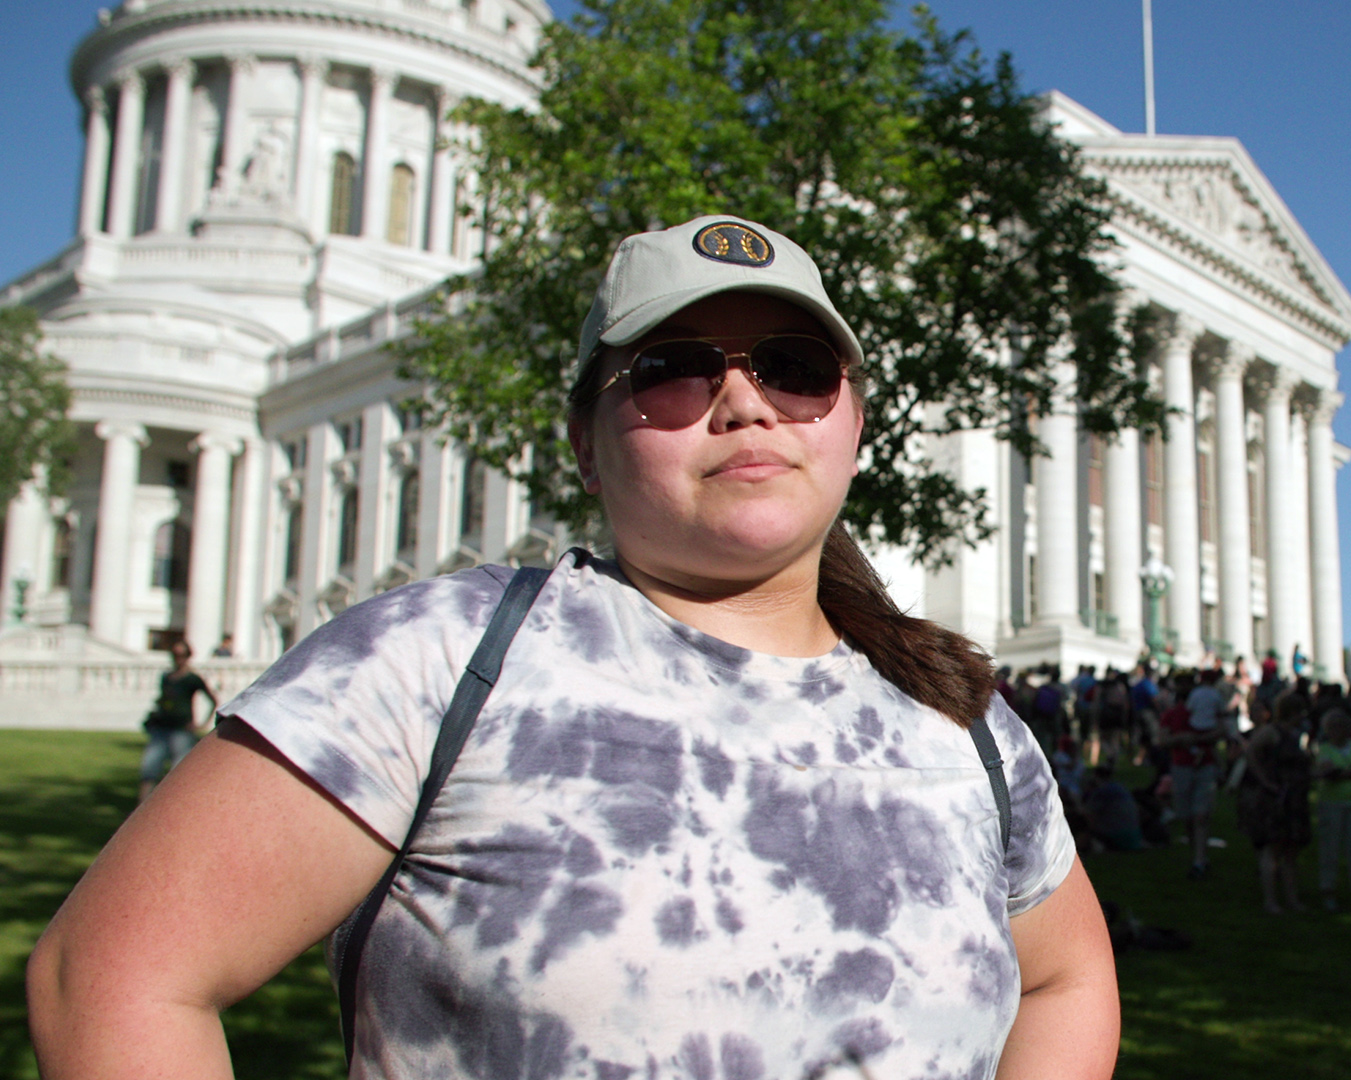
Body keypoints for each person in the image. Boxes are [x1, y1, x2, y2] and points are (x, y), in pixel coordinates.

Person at [28, 216, 1120, 1077]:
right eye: (675, 371)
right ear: (586, 445)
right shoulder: (439, 660)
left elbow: (1067, 980)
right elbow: (112, 977)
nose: (746, 404)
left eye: (794, 368)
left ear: (852, 424)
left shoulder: (961, 724)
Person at [1237, 697, 1312, 914]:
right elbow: (1251, 753)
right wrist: (1265, 781)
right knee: (1273, 848)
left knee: (1291, 851)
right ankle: (1270, 900)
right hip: (1275, 798)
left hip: (1294, 797)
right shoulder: (1272, 732)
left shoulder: (1296, 735)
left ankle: (1292, 899)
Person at [136, 641, 219, 803]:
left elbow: (213, 700)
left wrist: (203, 724)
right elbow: (163, 699)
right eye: (174, 655)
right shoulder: (167, 677)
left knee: (178, 774)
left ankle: (173, 805)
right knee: (149, 769)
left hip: (182, 729)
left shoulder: (192, 679)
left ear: (188, 657)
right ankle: (140, 809)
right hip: (161, 727)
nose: (177, 659)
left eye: (181, 655)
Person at [1159, 675, 1221, 879]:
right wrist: (1179, 740)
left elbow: (1218, 732)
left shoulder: (1204, 713)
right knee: (1187, 816)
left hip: (1203, 766)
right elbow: (1163, 739)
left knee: (1200, 815)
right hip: (1182, 766)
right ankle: (1199, 854)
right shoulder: (1171, 715)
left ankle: (1199, 860)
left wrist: (1197, 739)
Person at [1315, 708, 1351, 912]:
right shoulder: (1324, 749)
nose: (1337, 731)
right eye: (1332, 727)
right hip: (1331, 802)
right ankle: (1328, 889)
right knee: (1329, 848)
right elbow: (1327, 772)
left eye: (1341, 727)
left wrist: (1342, 772)